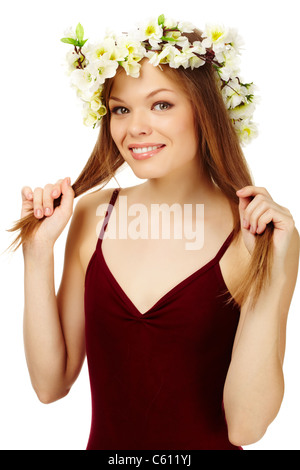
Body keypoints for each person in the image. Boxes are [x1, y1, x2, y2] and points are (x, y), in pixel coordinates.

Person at [9, 15, 299, 450]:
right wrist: (37, 255)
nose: (135, 128)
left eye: (161, 104)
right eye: (121, 109)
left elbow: (246, 427)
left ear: (207, 110)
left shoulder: (255, 235)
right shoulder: (93, 215)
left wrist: (274, 268)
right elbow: (51, 385)